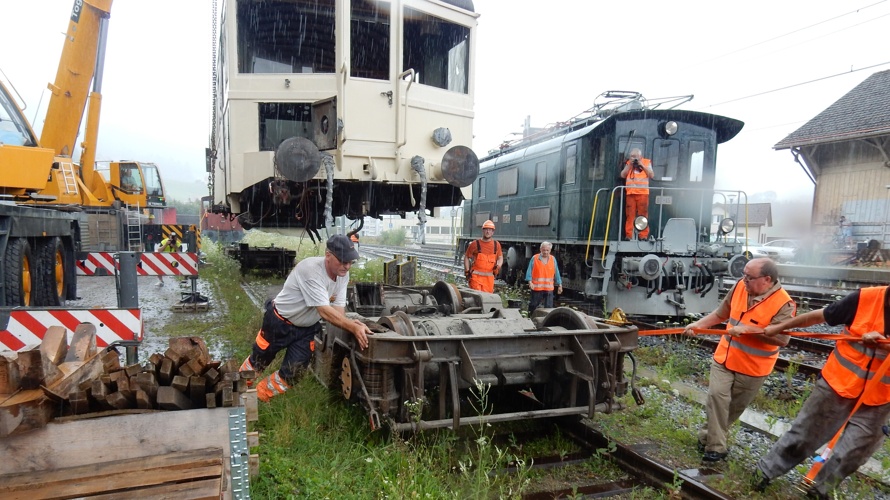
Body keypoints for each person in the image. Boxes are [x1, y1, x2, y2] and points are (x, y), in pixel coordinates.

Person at [752, 286, 890, 499]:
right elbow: (820, 316)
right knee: (805, 435)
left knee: (853, 453)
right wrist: (780, 327)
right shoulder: (866, 298)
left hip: (881, 397)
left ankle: (820, 491)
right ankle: (765, 471)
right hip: (838, 384)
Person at [683, 258, 795, 462]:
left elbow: (782, 339)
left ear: (767, 279)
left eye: (749, 277)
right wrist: (697, 325)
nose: (744, 280)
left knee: (732, 409)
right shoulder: (739, 288)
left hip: (752, 368)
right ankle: (716, 449)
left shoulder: (784, 304)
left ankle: (707, 437)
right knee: (717, 397)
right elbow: (720, 314)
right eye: (743, 275)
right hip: (724, 358)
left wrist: (749, 330)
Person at [240, 234, 371, 402]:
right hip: (279, 323)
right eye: (343, 261)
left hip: (306, 330)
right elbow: (324, 311)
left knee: (293, 373)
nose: (347, 266)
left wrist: (350, 324)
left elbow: (338, 312)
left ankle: (256, 399)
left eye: (350, 262)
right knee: (258, 361)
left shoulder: (342, 275)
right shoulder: (311, 270)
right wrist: (353, 327)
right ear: (328, 255)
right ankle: (236, 390)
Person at [619, 148, 654, 240]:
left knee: (643, 215)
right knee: (630, 215)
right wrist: (629, 165)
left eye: (636, 157)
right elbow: (622, 175)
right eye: (632, 156)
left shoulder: (646, 162)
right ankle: (629, 235)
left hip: (643, 193)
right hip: (630, 193)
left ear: (640, 156)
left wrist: (641, 164)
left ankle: (643, 235)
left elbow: (651, 175)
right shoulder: (628, 164)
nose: (634, 158)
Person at [463, 220, 503, 293]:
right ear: (483, 230)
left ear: (492, 232)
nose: (488, 231)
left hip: (489, 280)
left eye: (490, 230)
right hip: (476, 279)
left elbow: (500, 257)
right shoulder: (475, 244)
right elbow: (466, 257)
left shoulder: (496, 245)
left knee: (486, 301)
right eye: (486, 229)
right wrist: (467, 271)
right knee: (477, 299)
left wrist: (498, 266)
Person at [525, 241, 563, 315]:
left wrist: (560, 285)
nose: (545, 252)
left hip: (548, 289)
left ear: (550, 250)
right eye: (544, 250)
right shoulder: (535, 258)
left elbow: (557, 272)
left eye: (547, 250)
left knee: (548, 307)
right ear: (540, 249)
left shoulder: (553, 259)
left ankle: (546, 321)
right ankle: (530, 318)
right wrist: (530, 282)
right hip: (537, 288)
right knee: (533, 305)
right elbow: (529, 271)